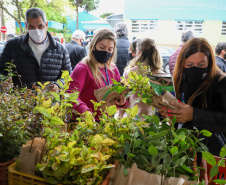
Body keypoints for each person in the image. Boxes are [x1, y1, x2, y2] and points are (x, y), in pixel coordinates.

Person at [160, 38, 226, 156]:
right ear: (182, 63)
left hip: (209, 153)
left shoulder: (221, 82)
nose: (195, 69)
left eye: (201, 64)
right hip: (180, 149)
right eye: (189, 64)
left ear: (210, 62)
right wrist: (166, 113)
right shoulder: (181, 79)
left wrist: (194, 115)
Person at [0, 7, 71, 90]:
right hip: (22, 100)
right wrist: (3, 80)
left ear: (46, 25)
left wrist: (58, 85)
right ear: (26, 26)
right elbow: (1, 70)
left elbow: (68, 75)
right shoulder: (13, 46)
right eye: (32, 27)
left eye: (40, 26)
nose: (37, 31)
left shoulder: (60, 50)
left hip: (48, 100)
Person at [67, 28, 127, 121]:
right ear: (94, 46)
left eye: (110, 49)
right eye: (102, 48)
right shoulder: (83, 68)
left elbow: (118, 97)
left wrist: (121, 102)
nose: (106, 51)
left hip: (106, 122)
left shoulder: (113, 70)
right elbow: (70, 94)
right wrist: (85, 111)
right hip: (84, 123)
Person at [122, 38, 164, 119]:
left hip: (132, 119)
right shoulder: (161, 75)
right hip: (152, 121)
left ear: (139, 52)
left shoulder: (129, 72)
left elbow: (124, 100)